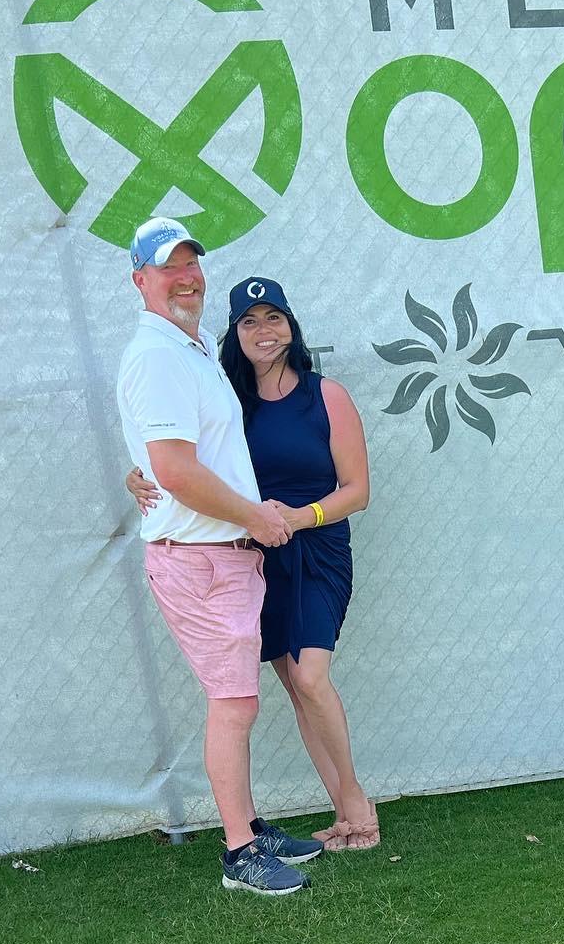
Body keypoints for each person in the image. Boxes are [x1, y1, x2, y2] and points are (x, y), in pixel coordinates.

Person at [127, 274, 378, 849]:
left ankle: (356, 801)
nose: (264, 331)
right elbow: (176, 454)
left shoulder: (326, 396)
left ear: (291, 326)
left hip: (316, 551)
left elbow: (357, 490)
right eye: (249, 322)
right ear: (234, 334)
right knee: (295, 684)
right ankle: (342, 813)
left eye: (274, 318)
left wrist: (300, 517)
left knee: (311, 675)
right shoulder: (227, 399)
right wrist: (134, 476)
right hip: (257, 557)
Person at [115, 216, 326, 896]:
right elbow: (175, 470)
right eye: (168, 267)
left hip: (220, 556)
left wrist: (145, 474)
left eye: (191, 264)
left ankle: (249, 826)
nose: (186, 278)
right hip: (201, 559)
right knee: (233, 706)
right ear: (140, 280)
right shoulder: (158, 355)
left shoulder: (194, 344)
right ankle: (240, 852)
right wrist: (256, 518)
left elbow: (172, 456)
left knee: (239, 702)